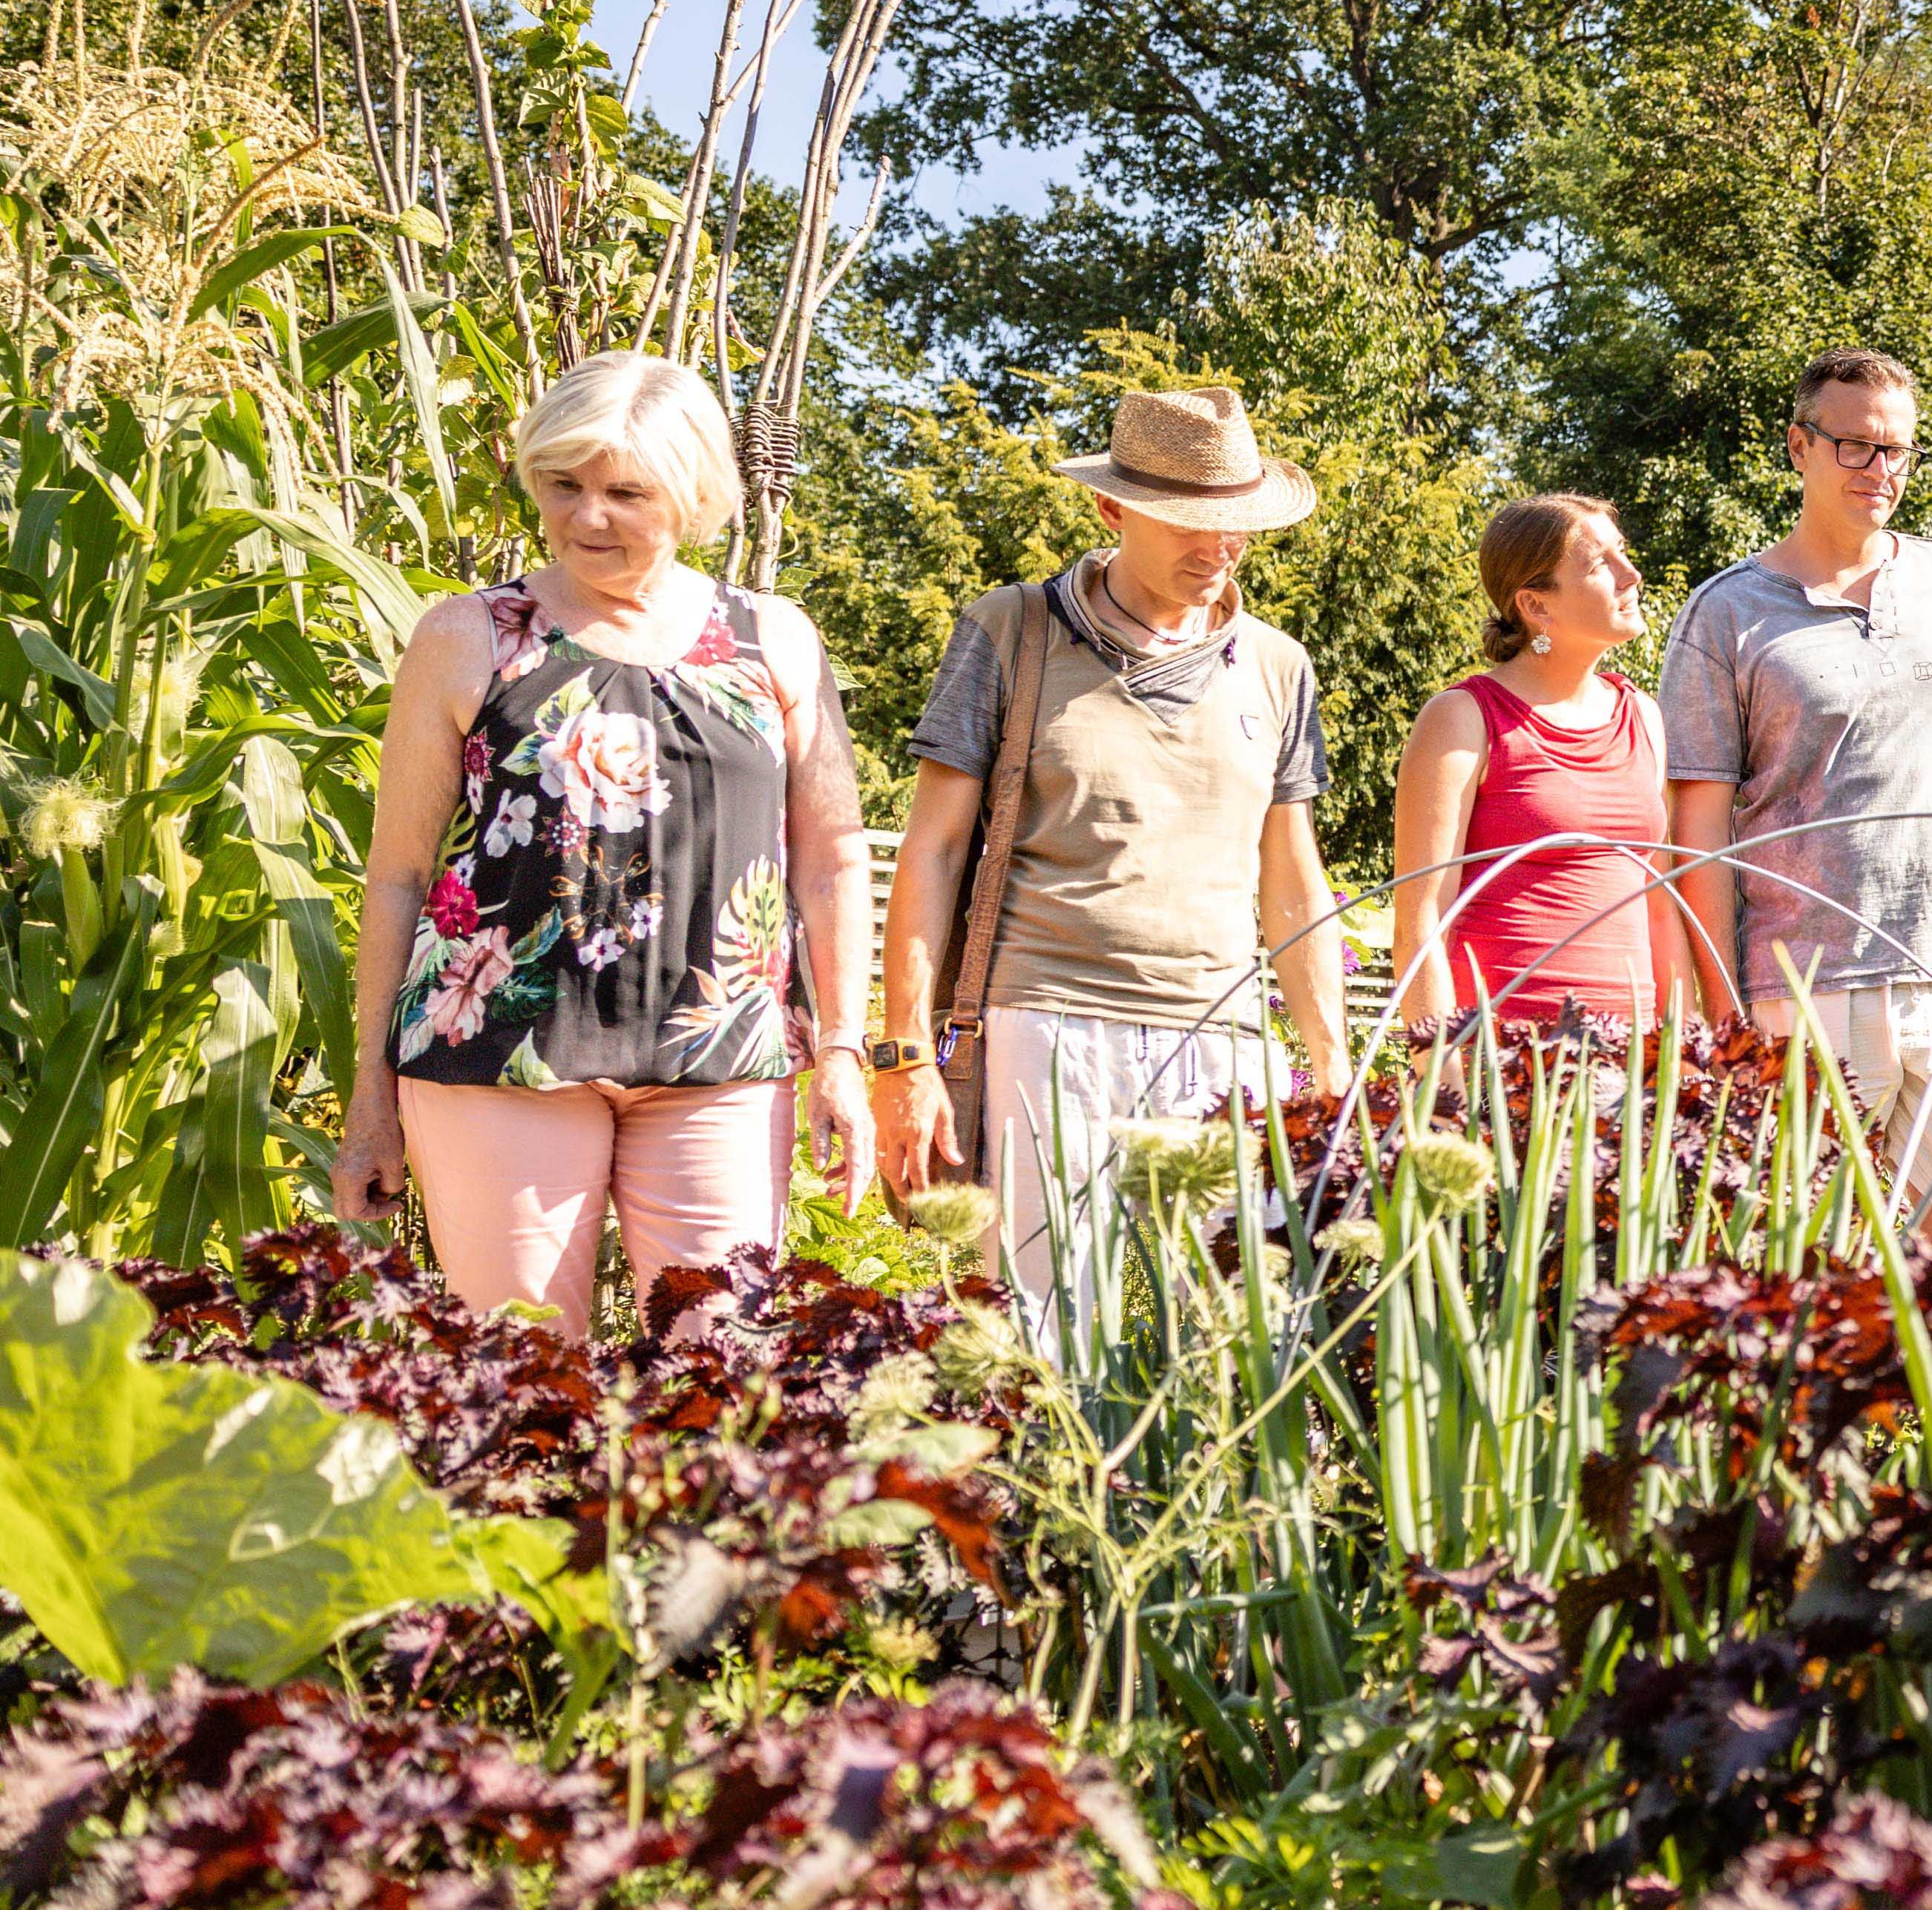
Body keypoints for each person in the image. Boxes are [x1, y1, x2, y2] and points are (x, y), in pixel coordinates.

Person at [332, 353, 874, 1328]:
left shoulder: (774, 639)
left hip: (722, 1063)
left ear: (694, 494)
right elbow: (399, 874)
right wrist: (368, 1090)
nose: (587, 516)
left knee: (719, 1373)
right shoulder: (466, 637)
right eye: (563, 484)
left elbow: (833, 859)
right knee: (519, 1380)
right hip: (496, 1059)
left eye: (626, 492)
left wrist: (841, 1048)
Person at [870, 386, 1348, 1323]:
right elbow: (931, 850)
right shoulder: (1013, 629)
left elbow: (1294, 877)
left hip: (1222, 1035)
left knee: (1241, 1326)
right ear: (1111, 508)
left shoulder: (1277, 664)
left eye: (1237, 524)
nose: (1219, 547)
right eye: (1189, 522)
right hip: (1045, 1024)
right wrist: (905, 1053)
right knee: (1046, 1325)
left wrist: (1328, 1058)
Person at [1660, 350, 1932, 1221]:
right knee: (1817, 1248)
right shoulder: (1725, 612)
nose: (1881, 469)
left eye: (1898, 449)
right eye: (1856, 446)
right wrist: (1724, 1013)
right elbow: (1697, 829)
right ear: (1799, 446)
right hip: (1807, 982)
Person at [1387, 493, 1714, 1042]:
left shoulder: (1642, 715)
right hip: (1504, 1058)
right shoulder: (1463, 718)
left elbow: (1660, 908)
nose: (1631, 574)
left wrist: (1682, 1052)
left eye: (1623, 551)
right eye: (1600, 563)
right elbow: (1420, 925)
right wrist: (1439, 1077)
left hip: (1630, 1061)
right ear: (1536, 605)